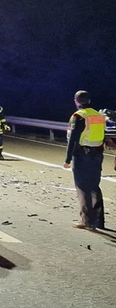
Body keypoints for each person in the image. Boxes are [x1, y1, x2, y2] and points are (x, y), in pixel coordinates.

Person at [63, 90, 106, 230]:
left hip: (82, 155)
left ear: (76, 101)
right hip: (97, 155)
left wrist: (67, 159)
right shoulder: (99, 115)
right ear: (89, 100)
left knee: (82, 188)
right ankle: (99, 221)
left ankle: (87, 222)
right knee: (94, 186)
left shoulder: (79, 116)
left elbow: (73, 140)